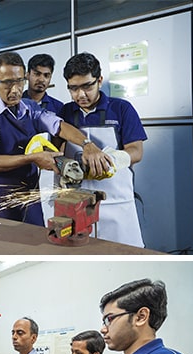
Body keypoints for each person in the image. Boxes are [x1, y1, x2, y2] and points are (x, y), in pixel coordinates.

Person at [0, 51, 114, 225]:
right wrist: (33, 158)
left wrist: (87, 144)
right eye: (8, 83)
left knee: (36, 243)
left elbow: (59, 126)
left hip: (30, 194)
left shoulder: (30, 107)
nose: (15, 89)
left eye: (19, 81)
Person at [57, 52, 147, 248]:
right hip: (77, 203)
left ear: (99, 80)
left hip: (116, 203)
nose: (80, 95)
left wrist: (111, 160)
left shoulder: (122, 109)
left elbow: (136, 151)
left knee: (125, 253)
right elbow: (57, 149)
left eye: (87, 86)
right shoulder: (65, 112)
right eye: (73, 88)